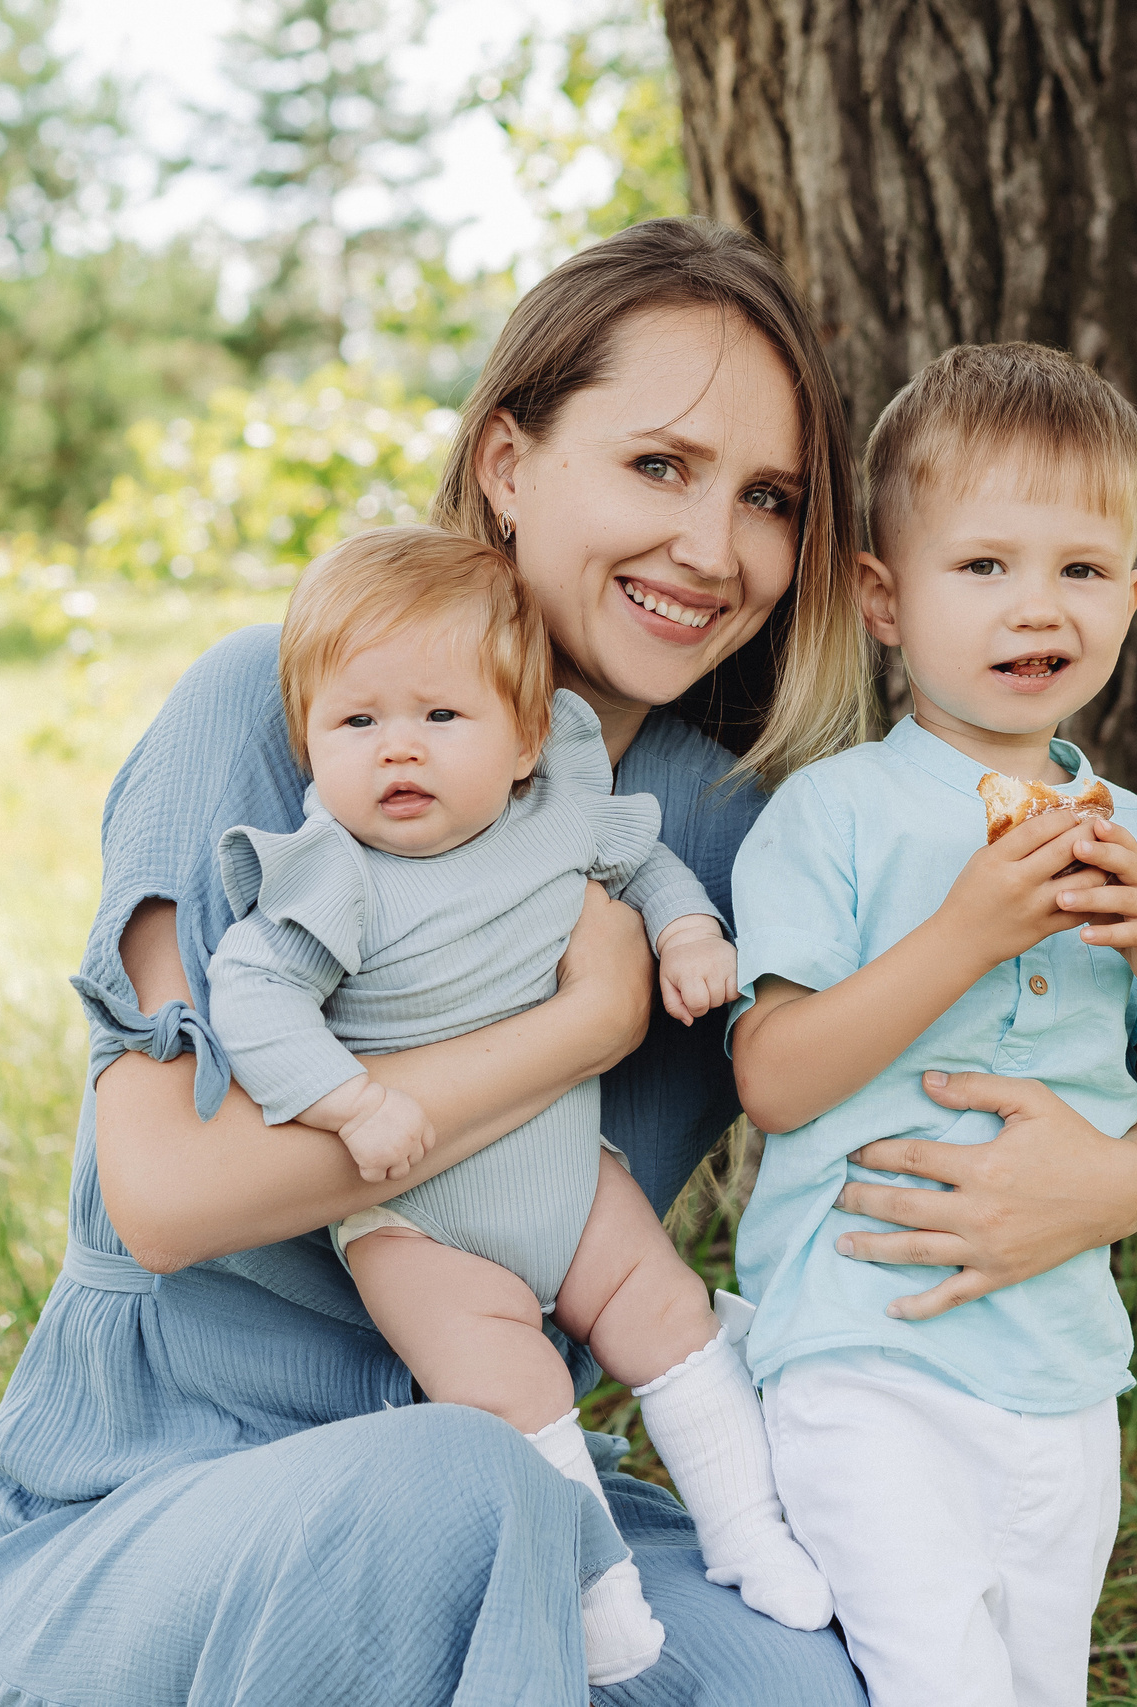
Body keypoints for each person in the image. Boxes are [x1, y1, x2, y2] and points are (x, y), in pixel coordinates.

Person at [0, 218, 1137, 1707]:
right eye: (658, 465)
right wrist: (584, 1023)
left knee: (811, 1688)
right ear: (509, 462)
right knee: (448, 1491)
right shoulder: (284, 709)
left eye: (768, 498)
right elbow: (166, 1194)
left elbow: (971, 1057)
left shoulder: (745, 837)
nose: (711, 546)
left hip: (543, 1485)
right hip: (150, 1509)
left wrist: (1135, 1175)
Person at [728, 343, 1137, 1706]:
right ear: (885, 598)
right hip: (865, 1350)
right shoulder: (834, 816)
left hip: (1063, 1371)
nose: (1039, 604)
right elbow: (775, 1078)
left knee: (1041, 1678)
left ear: (1132, 597)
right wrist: (967, 930)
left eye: (1082, 569)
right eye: (983, 566)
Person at [205, 527, 826, 1684]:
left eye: (443, 719)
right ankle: (586, 1584)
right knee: (507, 1384)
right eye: (357, 723)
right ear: (309, 742)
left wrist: (688, 932)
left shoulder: (554, 815)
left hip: (564, 1172)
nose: (400, 748)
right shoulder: (331, 872)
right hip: (417, 1220)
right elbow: (255, 996)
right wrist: (344, 1101)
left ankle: (748, 1529)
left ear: (527, 736)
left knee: (666, 1312)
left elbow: (643, 867)